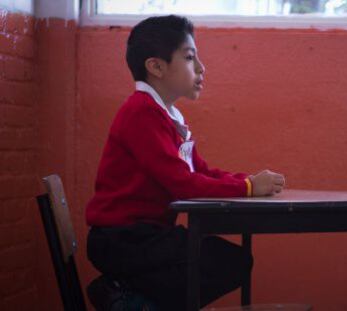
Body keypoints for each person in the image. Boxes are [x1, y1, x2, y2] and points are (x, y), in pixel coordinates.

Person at [85, 15, 286, 311]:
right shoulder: (141, 112)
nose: (202, 68)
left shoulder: (166, 116)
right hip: (123, 239)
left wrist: (249, 181)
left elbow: (199, 171)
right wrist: (247, 187)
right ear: (156, 67)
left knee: (230, 259)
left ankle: (129, 295)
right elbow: (182, 183)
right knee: (229, 261)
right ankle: (123, 295)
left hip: (145, 235)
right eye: (190, 58)